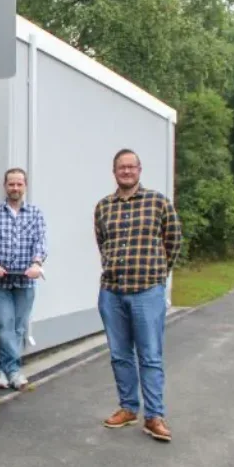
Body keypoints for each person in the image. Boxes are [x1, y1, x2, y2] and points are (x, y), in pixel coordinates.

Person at [95, 148, 182, 442]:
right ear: (114, 171)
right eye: (122, 167)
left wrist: (158, 274)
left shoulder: (158, 202)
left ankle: (154, 416)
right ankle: (128, 408)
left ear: (139, 170)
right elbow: (103, 243)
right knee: (120, 355)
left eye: (131, 167)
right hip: (112, 292)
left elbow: (173, 241)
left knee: (150, 355)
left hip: (147, 291)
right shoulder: (103, 207)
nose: (127, 171)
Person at [0, 168, 48, 391]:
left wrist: (36, 264)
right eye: (11, 184)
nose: (15, 188)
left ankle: (3, 370)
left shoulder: (35, 213)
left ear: (25, 186)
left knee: (19, 329)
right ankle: (14, 371)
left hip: (25, 281)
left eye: (19, 184)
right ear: (5, 186)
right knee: (5, 327)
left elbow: (41, 242)